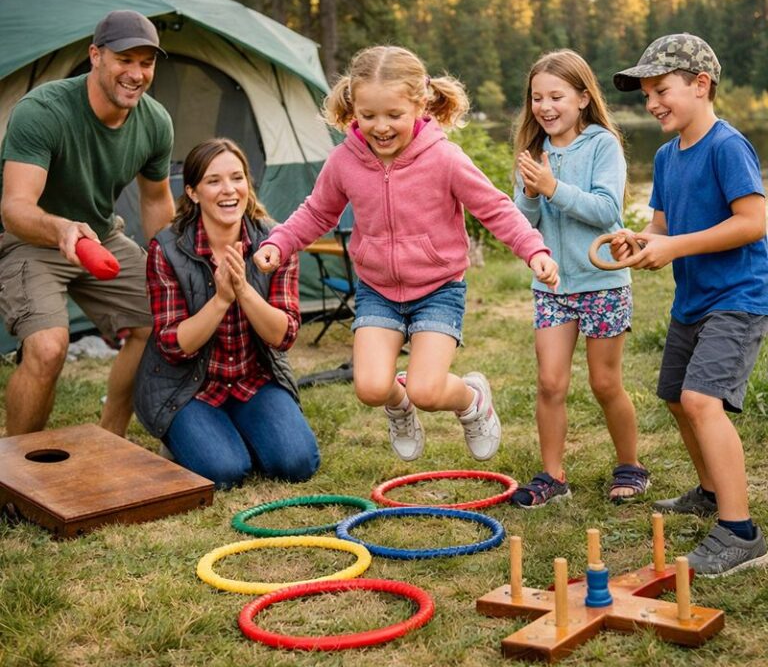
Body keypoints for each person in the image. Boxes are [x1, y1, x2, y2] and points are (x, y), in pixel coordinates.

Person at [254, 45, 559, 462]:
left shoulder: (444, 158)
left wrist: (534, 251)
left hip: (437, 288)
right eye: (369, 115)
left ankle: (471, 400)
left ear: (420, 104)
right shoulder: (345, 160)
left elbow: (495, 208)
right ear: (353, 109)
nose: (380, 127)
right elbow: (317, 210)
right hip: (378, 289)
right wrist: (279, 242)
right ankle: (399, 409)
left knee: (428, 390)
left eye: (393, 115)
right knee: (372, 388)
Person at [612, 33, 768, 576]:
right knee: (677, 397)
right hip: (693, 299)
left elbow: (753, 222)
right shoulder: (664, 154)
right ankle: (709, 492)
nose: (652, 102)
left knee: (703, 400)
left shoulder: (728, 146)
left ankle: (740, 531)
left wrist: (674, 246)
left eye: (661, 89)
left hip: (739, 297)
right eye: (647, 93)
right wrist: (638, 240)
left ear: (700, 85)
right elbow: (661, 225)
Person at [0, 10, 175, 437]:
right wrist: (61, 229)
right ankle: (16, 476)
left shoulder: (155, 122)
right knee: (47, 347)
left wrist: (175, 268)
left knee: (162, 322)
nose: (136, 74)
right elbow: (15, 208)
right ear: (95, 55)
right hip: (30, 239)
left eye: (146, 62)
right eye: (124, 59)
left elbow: (156, 204)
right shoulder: (42, 111)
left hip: (101, 235)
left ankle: (109, 439)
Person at [134, 138, 320, 489]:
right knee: (225, 471)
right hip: (188, 388)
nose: (229, 190)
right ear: (192, 192)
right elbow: (173, 345)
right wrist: (220, 299)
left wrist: (244, 291)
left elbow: (285, 335)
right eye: (213, 181)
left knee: (296, 464)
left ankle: (237, 429)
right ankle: (191, 434)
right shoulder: (167, 249)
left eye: (237, 178)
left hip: (254, 380)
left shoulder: (275, 241)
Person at [510, 49, 648, 508]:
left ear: (583, 98)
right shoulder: (533, 154)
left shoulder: (602, 144)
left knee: (604, 383)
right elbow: (522, 221)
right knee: (550, 383)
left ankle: (631, 465)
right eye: (537, 98)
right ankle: (553, 476)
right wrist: (532, 192)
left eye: (557, 96)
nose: (545, 107)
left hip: (603, 282)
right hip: (552, 287)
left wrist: (553, 188)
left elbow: (607, 210)